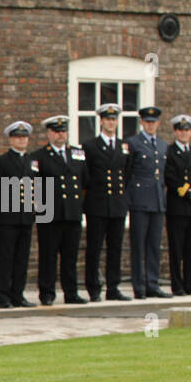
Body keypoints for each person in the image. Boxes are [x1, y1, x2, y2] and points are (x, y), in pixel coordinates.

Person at [33, 115, 88, 305]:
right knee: (48, 256)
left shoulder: (77, 154)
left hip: (72, 213)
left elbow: (85, 181)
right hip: (51, 214)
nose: (60, 135)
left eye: (63, 131)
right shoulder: (39, 157)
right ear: (49, 133)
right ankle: (47, 293)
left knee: (70, 257)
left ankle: (71, 292)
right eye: (56, 131)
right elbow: (34, 185)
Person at [82, 103, 131, 301]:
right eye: (108, 119)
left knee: (115, 248)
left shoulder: (123, 146)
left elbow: (126, 173)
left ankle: (113, 287)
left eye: (114, 119)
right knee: (94, 249)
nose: (111, 122)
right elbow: (86, 176)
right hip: (97, 204)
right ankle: (93, 288)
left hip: (117, 205)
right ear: (101, 121)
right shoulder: (90, 146)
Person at [0, 121, 39, 308]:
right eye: (18, 137)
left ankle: (18, 294)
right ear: (11, 139)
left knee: (21, 259)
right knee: (5, 259)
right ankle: (3, 296)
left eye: (24, 137)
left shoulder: (32, 161)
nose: (22, 140)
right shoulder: (2, 161)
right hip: (7, 218)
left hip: (26, 216)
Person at [126, 106, 169, 299]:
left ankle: (153, 283)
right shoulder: (133, 143)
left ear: (158, 123)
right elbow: (128, 173)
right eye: (147, 122)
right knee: (138, 246)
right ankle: (139, 286)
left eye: (154, 122)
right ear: (142, 123)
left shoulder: (162, 145)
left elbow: (163, 174)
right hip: (140, 201)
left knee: (154, 245)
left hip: (158, 200)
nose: (151, 125)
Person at [164, 114, 191, 296]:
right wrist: (188, 191)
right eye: (180, 130)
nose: (183, 133)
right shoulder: (169, 152)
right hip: (177, 208)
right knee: (176, 250)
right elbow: (170, 177)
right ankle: (177, 286)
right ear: (175, 132)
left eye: (186, 130)